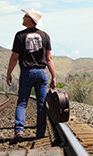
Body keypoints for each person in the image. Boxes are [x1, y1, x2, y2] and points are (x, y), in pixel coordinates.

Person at [6, 8, 56, 145]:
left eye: (25, 16)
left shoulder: (19, 36)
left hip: (27, 73)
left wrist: (9, 73)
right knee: (41, 104)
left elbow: (14, 58)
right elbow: (49, 58)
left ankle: (19, 131)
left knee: (22, 102)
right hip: (42, 73)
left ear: (31, 20)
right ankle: (40, 135)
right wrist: (54, 76)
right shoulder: (45, 36)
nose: (23, 17)